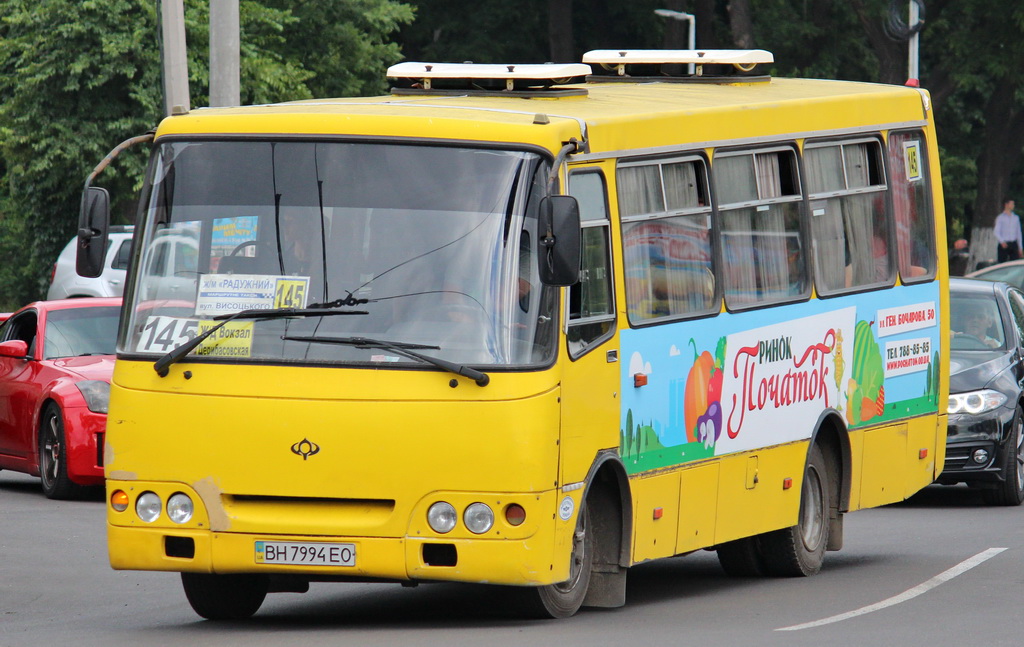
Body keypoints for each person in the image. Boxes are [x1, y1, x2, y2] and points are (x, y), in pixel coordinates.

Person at [994, 198, 1023, 264]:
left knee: (1015, 263)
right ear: (1006, 205)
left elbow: (1018, 233)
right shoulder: (1000, 218)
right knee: (1002, 264)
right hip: (1004, 243)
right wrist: (1002, 241)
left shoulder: (1016, 218)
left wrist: (1020, 247)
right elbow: (996, 231)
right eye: (1011, 204)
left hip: (1013, 243)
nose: (1013, 205)